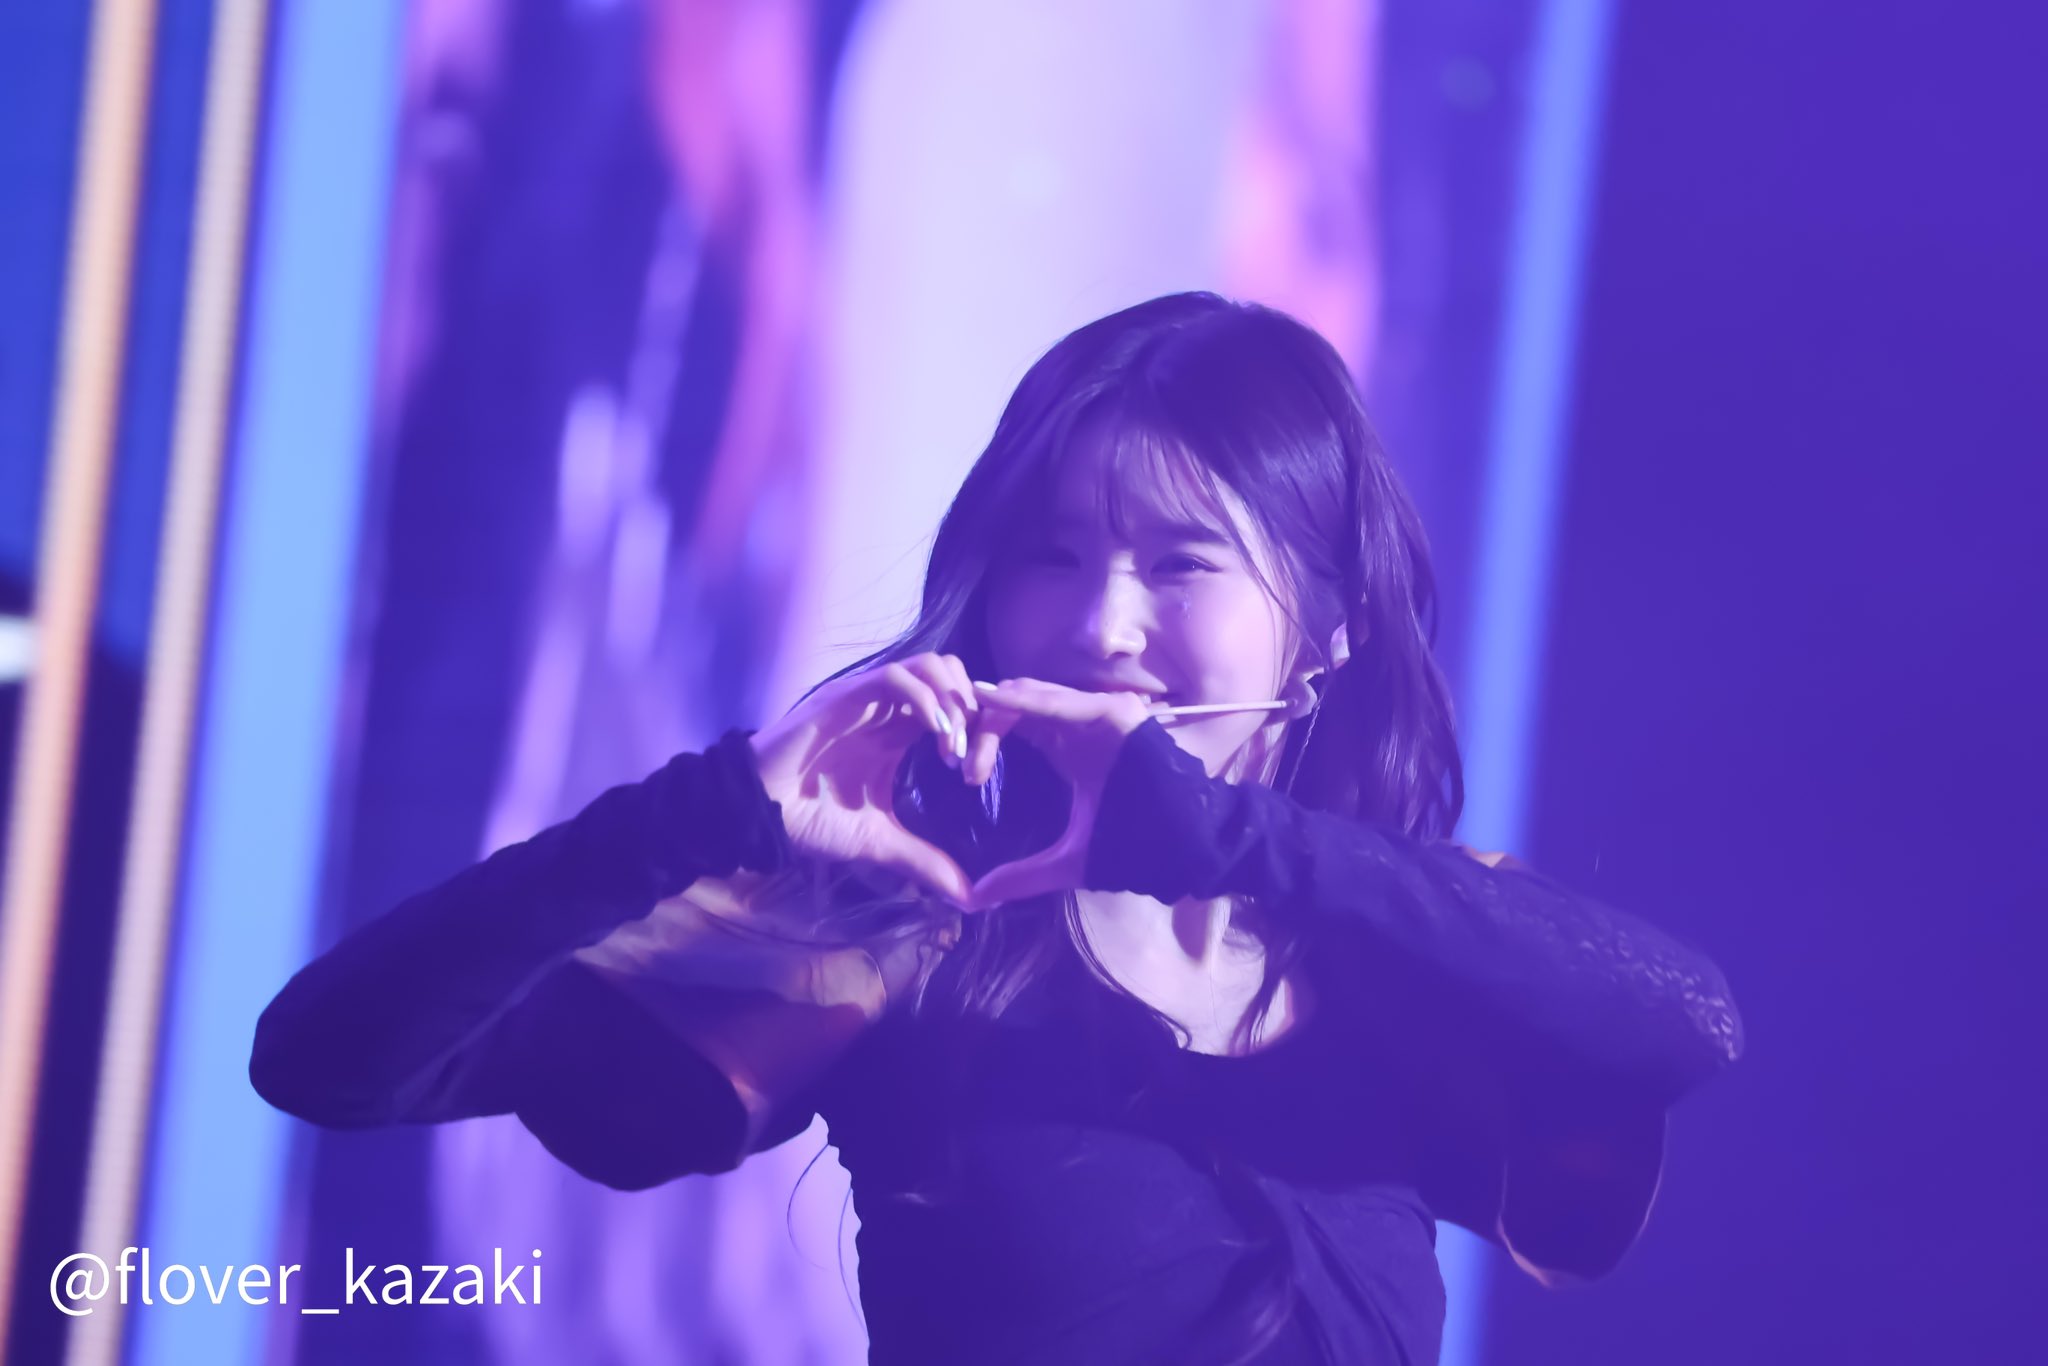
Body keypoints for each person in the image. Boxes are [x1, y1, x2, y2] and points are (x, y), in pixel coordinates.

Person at [251, 291, 1745, 1364]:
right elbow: (328, 1060)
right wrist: (702, 810)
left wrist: (1226, 840)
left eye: (1180, 565)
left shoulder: (1381, 943)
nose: (1103, 626)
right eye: (1055, 558)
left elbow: (1687, 1025)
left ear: (1331, 629)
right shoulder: (914, 929)